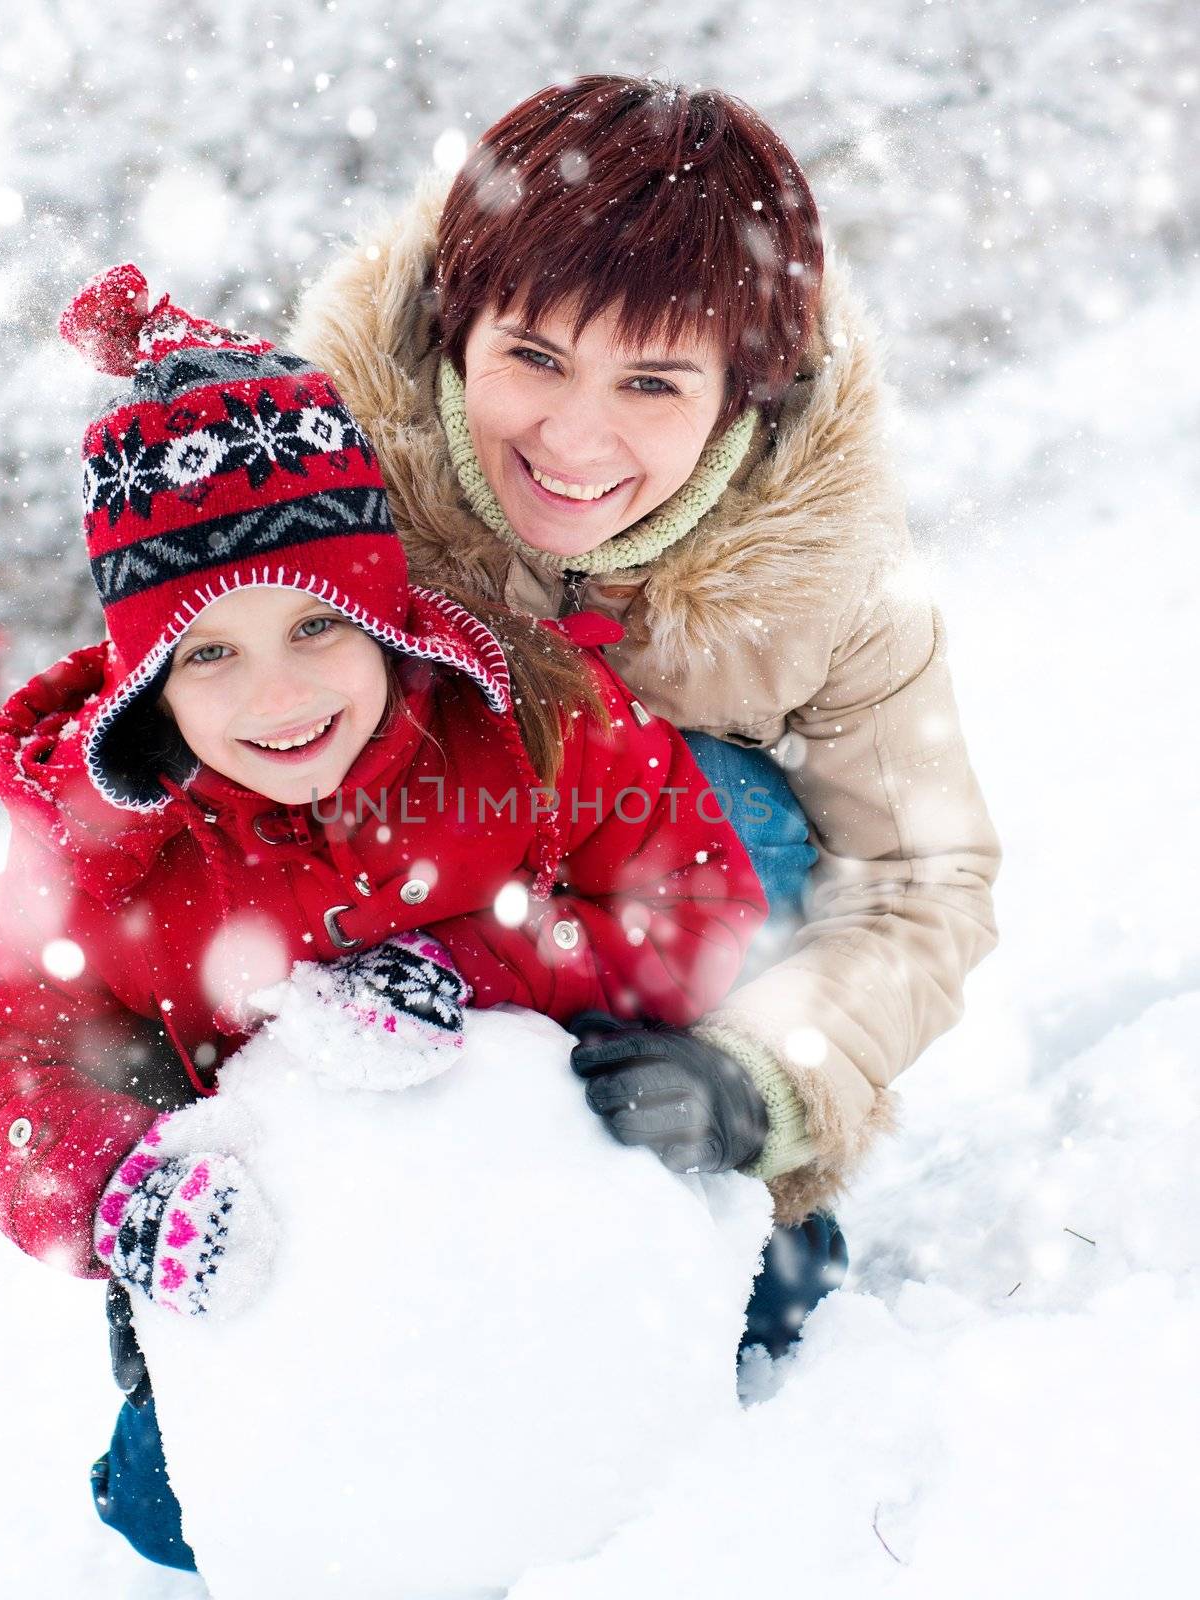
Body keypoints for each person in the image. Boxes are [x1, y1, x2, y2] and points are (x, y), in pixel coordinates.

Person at [0, 263, 770, 1571]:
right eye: (209, 653)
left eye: (319, 625)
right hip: (305, 1250)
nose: (277, 696)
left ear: (384, 607)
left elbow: (701, 898)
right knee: (169, 1518)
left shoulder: (524, 724)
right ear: (149, 675)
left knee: (777, 1320)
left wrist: (489, 968)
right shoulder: (108, 849)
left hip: (539, 1185)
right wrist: (111, 1182)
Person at [289, 73, 1002, 1351]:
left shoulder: (825, 566)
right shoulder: (322, 478)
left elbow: (920, 874)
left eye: (652, 385)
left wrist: (756, 1079)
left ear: (743, 394)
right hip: (379, 995)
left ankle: (688, 1209)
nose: (573, 435)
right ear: (458, 328)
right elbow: (180, 832)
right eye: (534, 357)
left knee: (714, 804)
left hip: (660, 999)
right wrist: (187, 1170)